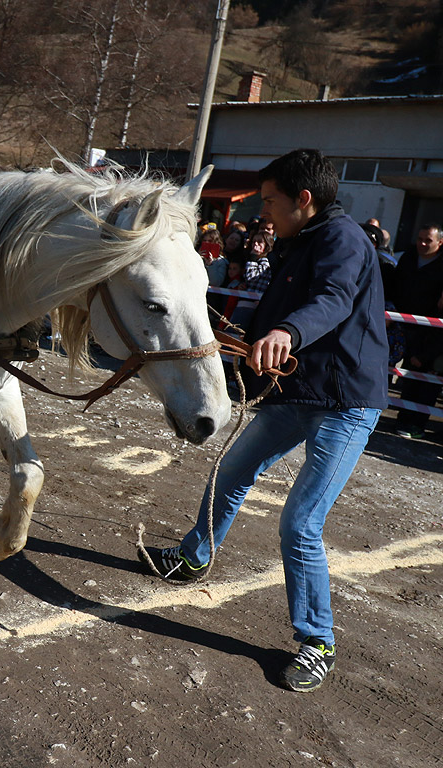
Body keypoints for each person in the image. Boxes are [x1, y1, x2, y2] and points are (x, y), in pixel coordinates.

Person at [140, 149, 388, 693]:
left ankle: (317, 641)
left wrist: (286, 335)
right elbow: (272, 308)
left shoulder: (343, 241)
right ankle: (193, 558)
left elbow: (334, 300)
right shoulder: (297, 241)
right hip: (295, 392)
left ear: (304, 199)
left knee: (301, 524)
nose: (265, 212)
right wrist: (240, 336)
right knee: (229, 474)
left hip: (344, 403)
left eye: (271, 201)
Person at [387, 224, 443, 438]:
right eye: (419, 238)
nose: (422, 244)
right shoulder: (409, 258)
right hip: (403, 324)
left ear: (440, 243)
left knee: (426, 377)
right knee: (406, 376)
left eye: (427, 240)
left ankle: (416, 425)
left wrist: (428, 351)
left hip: (432, 332)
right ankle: (402, 419)